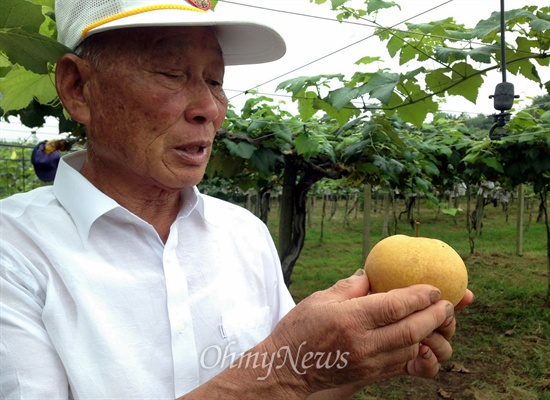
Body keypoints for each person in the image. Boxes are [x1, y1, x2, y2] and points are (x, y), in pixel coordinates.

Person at [0, 0, 474, 399]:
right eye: (170, 73)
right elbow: (288, 375)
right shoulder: (13, 251)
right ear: (79, 89)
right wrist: (288, 370)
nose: (208, 108)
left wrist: (368, 353)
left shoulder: (243, 232)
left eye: (215, 80)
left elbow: (301, 384)